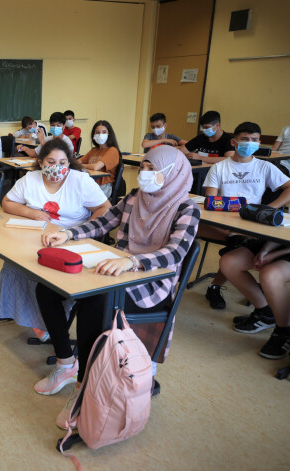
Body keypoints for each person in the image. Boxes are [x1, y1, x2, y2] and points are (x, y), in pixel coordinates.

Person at [36, 147, 199, 428]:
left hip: (149, 280)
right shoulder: (136, 197)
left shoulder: (187, 208)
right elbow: (103, 222)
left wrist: (132, 261)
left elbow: (174, 253)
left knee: (94, 305)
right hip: (115, 266)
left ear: (173, 174)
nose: (145, 173)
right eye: (143, 167)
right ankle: (65, 363)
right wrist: (68, 233)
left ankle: (83, 388)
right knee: (48, 287)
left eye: (152, 169)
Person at [0, 139, 110, 343]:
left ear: (69, 163)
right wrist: (30, 212)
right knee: (15, 265)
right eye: (51, 161)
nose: (57, 167)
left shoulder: (80, 181)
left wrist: (80, 231)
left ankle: (50, 323)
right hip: (38, 237)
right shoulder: (30, 179)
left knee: (46, 277)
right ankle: (35, 319)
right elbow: (7, 203)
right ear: (40, 162)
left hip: (72, 241)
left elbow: (105, 209)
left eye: (62, 162)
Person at [201, 122, 290, 312]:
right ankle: (217, 283)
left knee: (238, 243)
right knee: (198, 226)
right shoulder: (219, 167)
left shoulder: (264, 167)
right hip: (223, 221)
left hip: (252, 222)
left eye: (255, 140)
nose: (250, 143)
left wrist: (268, 208)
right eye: (245, 139)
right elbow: (211, 199)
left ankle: (215, 286)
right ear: (234, 142)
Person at [220, 241, 290, 359]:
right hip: (280, 242)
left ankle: (284, 331)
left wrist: (274, 254)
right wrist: (265, 250)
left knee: (270, 274)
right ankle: (266, 313)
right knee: (229, 262)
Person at [78, 120, 121, 199]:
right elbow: (77, 162)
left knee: (81, 199)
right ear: (94, 135)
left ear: (109, 134)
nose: (100, 134)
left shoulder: (112, 150)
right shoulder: (94, 150)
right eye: (97, 132)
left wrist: (81, 165)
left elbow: (96, 167)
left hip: (104, 186)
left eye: (104, 132)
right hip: (91, 183)